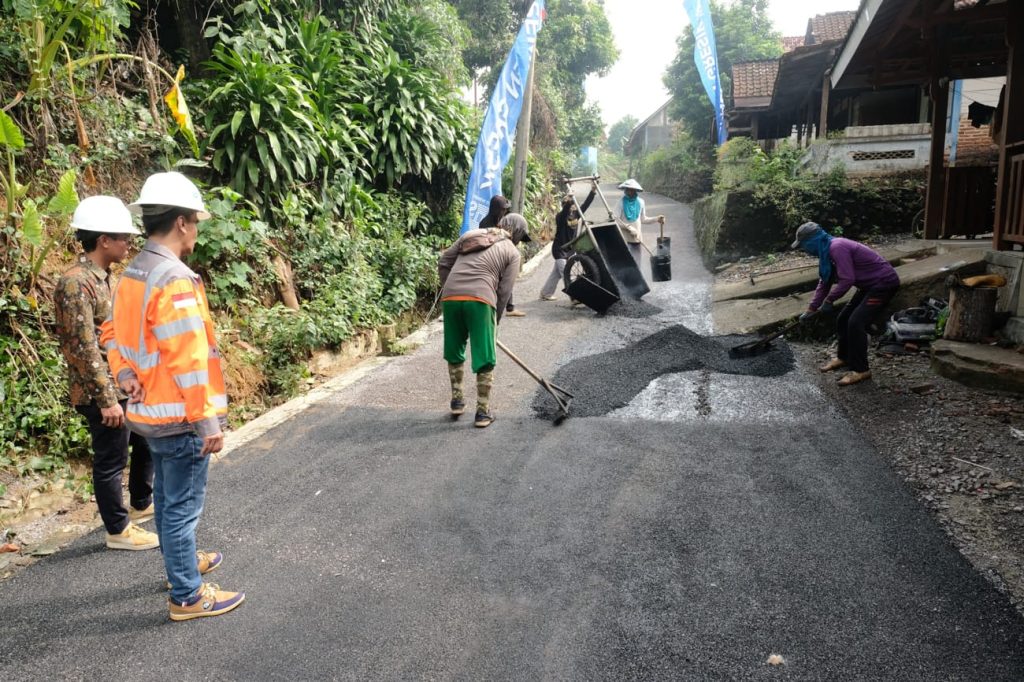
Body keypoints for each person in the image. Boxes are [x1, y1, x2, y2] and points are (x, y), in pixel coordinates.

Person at [101, 172, 243, 621]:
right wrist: (207, 422)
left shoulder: (133, 273)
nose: (197, 231)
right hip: (180, 418)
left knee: (166, 500)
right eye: (196, 222)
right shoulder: (175, 279)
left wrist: (124, 374)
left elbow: (110, 332)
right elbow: (187, 357)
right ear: (182, 223)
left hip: (148, 414)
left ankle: (179, 565)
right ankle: (186, 595)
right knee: (181, 508)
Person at [54, 196, 158, 552]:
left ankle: (141, 502)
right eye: (123, 238)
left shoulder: (107, 278)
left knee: (144, 441)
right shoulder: (75, 282)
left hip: (123, 384)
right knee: (112, 458)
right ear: (103, 241)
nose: (129, 244)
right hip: (101, 392)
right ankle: (118, 530)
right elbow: (82, 348)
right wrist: (107, 399)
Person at [439, 213, 531, 428]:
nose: (519, 241)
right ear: (516, 232)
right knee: (485, 356)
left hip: (451, 298)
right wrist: (494, 322)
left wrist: (450, 290)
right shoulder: (512, 252)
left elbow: (444, 262)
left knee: (454, 349)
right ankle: (482, 412)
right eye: (520, 237)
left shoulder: (471, 234)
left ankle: (457, 401)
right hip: (480, 299)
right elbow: (504, 292)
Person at [793, 221, 900, 386]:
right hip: (868, 285)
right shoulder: (826, 252)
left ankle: (861, 370)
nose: (805, 250)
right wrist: (811, 308)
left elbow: (847, 280)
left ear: (813, 240)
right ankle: (844, 357)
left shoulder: (837, 247)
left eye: (804, 245)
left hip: (883, 283)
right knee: (843, 319)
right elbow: (824, 282)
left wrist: (829, 300)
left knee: (855, 322)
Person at [540, 182, 597, 301]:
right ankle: (574, 297)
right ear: (565, 205)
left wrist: (592, 191)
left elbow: (586, 204)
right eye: (569, 203)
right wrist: (569, 199)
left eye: (572, 203)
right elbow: (565, 211)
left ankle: (546, 292)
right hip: (559, 249)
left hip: (570, 249)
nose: (572, 205)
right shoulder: (560, 217)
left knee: (556, 274)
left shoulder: (576, 214)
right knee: (566, 272)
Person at [478, 195, 525, 317]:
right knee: (499, 282)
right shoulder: (486, 224)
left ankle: (509, 308)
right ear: (497, 209)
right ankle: (496, 310)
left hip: (498, 257)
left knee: (506, 280)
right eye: (503, 209)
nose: (505, 211)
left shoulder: (499, 221)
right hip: (490, 259)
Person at [614, 179, 663, 266]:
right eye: (627, 189)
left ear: (635, 190)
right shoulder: (620, 202)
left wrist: (656, 219)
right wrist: (628, 227)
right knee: (625, 265)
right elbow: (616, 220)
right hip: (624, 239)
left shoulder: (641, 202)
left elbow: (643, 219)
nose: (629, 191)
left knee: (637, 264)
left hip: (637, 239)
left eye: (631, 189)